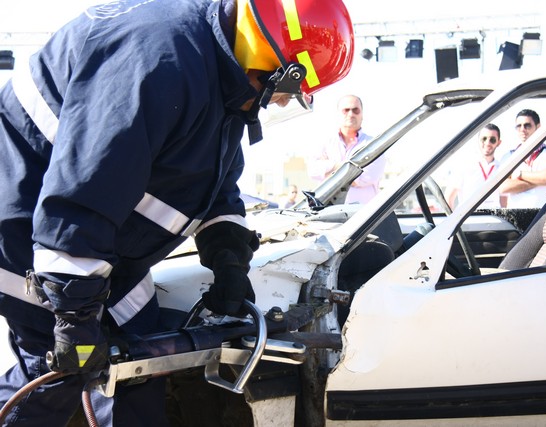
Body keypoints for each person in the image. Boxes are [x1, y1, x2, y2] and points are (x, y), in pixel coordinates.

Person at [0, 0, 354, 426]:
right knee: (56, 372)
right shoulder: (159, 61)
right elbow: (84, 194)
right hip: (30, 242)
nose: (280, 104)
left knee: (145, 360)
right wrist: (75, 319)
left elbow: (210, 181)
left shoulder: (218, 74)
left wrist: (229, 260)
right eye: (286, 90)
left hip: (104, 253)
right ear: (272, 62)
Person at [308, 95, 386, 204]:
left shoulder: (374, 145)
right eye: (346, 110)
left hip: (364, 214)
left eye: (356, 110)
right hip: (327, 213)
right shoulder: (324, 142)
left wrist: (329, 170)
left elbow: (368, 177)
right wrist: (345, 167)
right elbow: (313, 170)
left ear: (362, 115)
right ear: (338, 114)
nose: (351, 114)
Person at [499, 109, 546, 208]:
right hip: (516, 216)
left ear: (538, 127)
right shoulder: (508, 157)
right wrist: (541, 180)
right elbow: (503, 187)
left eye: (527, 125)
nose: (522, 129)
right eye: (518, 126)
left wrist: (519, 174)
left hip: (544, 214)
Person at [446, 123, 506, 209]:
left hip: (494, 219)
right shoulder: (464, 165)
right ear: (478, 140)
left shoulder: (501, 168)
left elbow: (503, 201)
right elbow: (449, 198)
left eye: (492, 140)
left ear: (499, 142)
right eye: (484, 139)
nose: (487, 143)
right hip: (469, 219)